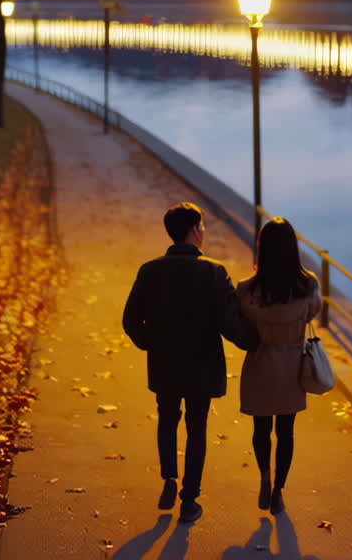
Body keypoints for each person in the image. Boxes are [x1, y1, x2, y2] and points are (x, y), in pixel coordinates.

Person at [122, 202, 258, 524]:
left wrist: (151, 343)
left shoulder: (150, 270)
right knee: (197, 428)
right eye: (203, 227)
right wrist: (256, 342)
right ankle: (190, 499)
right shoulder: (214, 272)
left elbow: (130, 320)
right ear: (195, 229)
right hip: (202, 366)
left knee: (167, 418)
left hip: (165, 364)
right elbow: (230, 324)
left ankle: (169, 477)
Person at [236, 217, 322, 515]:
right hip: (292, 366)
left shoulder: (247, 291)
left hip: (260, 363)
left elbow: (239, 319)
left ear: (262, 250)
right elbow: (313, 312)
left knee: (261, 427)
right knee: (286, 430)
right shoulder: (308, 285)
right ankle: (278, 490)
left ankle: (263, 473)